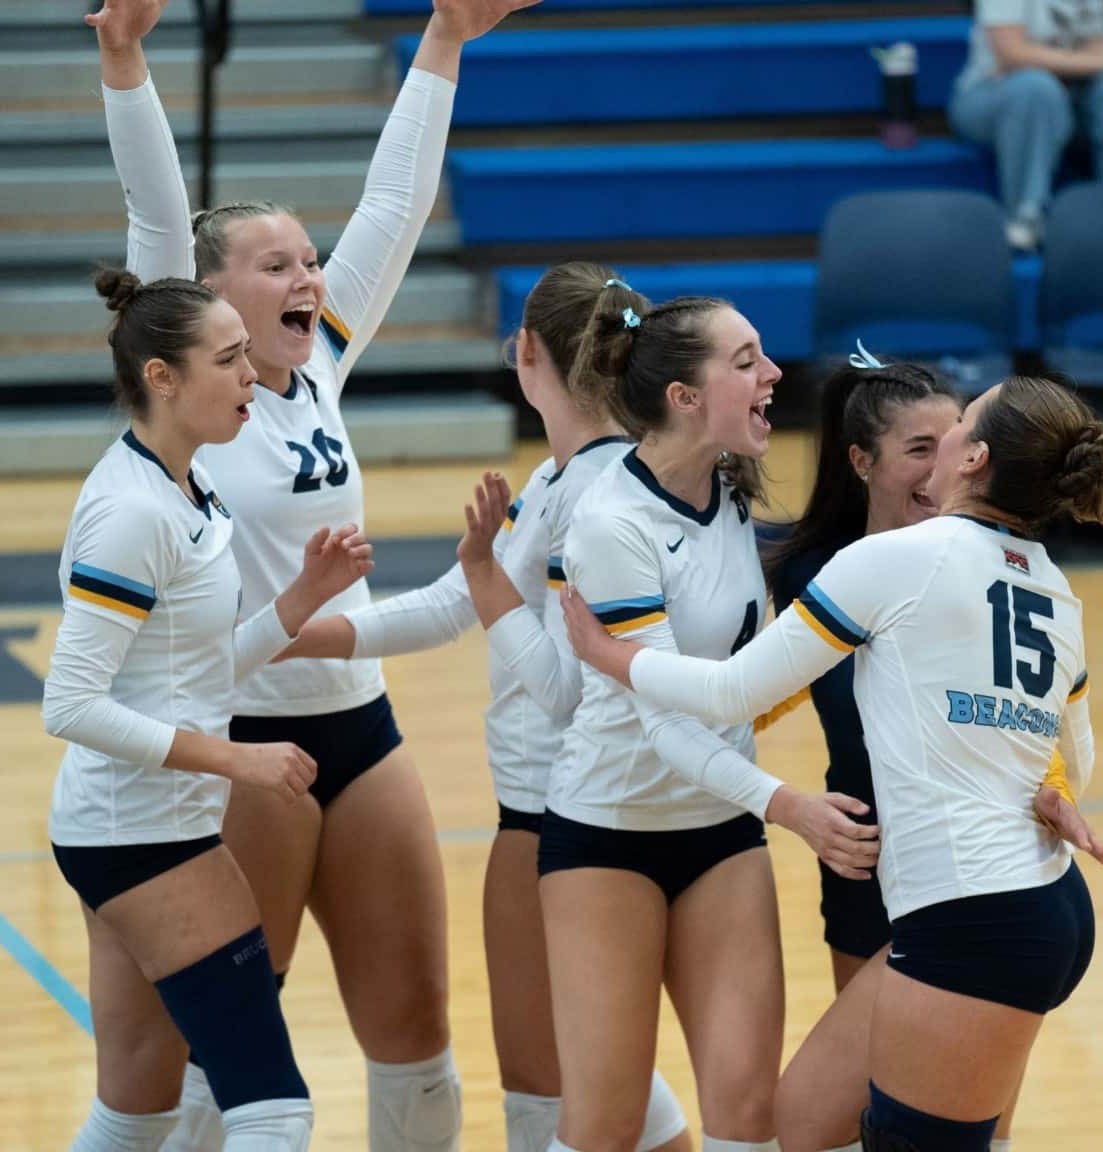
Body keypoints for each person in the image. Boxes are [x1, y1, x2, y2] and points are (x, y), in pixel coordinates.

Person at [87, 0, 534, 1146]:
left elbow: (391, 204)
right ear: (205, 297)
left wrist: (442, 39)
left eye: (308, 258)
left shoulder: (320, 358)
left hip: (358, 725)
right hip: (236, 733)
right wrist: (123, 56)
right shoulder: (186, 390)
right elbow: (153, 209)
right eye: (275, 262)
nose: (309, 274)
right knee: (230, 1057)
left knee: (417, 1027)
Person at [566, 374, 1103, 1152]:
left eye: (958, 423)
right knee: (802, 1125)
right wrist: (1043, 792)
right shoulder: (1056, 589)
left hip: (975, 915)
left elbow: (729, 692)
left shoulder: (893, 560)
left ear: (973, 457)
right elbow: (1079, 757)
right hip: (1040, 899)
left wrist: (611, 656)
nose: (945, 436)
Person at [279, 265, 691, 1152]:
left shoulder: (591, 494)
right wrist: (300, 636)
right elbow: (446, 604)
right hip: (585, 811)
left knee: (553, 1103)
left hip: (558, 819)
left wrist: (485, 588)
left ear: (525, 352)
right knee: (612, 1090)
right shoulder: (569, 479)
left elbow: (577, 689)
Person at [499, 292, 879, 1152]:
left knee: (748, 1118)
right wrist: (790, 807)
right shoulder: (611, 521)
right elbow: (669, 725)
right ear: (682, 396)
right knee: (605, 1125)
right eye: (745, 361)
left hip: (720, 834)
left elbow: (747, 666)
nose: (772, 373)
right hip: (606, 837)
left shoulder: (733, 488)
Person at [43, 269, 373, 1152]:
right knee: (274, 1109)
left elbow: (194, 671)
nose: (249, 377)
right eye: (227, 361)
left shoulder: (186, 484)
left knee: (136, 1113)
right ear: (163, 377)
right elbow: (70, 704)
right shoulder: (130, 510)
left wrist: (300, 600)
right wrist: (239, 762)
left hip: (131, 828)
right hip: (143, 834)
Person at [757, 353, 1103, 1152]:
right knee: (841, 1121)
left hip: (974, 883)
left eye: (950, 438)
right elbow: (745, 700)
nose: (939, 460)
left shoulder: (996, 569)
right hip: (863, 863)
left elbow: (1038, 728)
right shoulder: (819, 573)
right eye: (918, 447)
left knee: (953, 1126)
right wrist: (788, 808)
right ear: (863, 462)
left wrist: (1047, 788)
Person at [949, 0, 1103, 250]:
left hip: (1091, 100)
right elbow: (1011, 51)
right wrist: (1097, 59)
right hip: (996, 96)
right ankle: (1027, 217)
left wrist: (1033, 56)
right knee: (1036, 88)